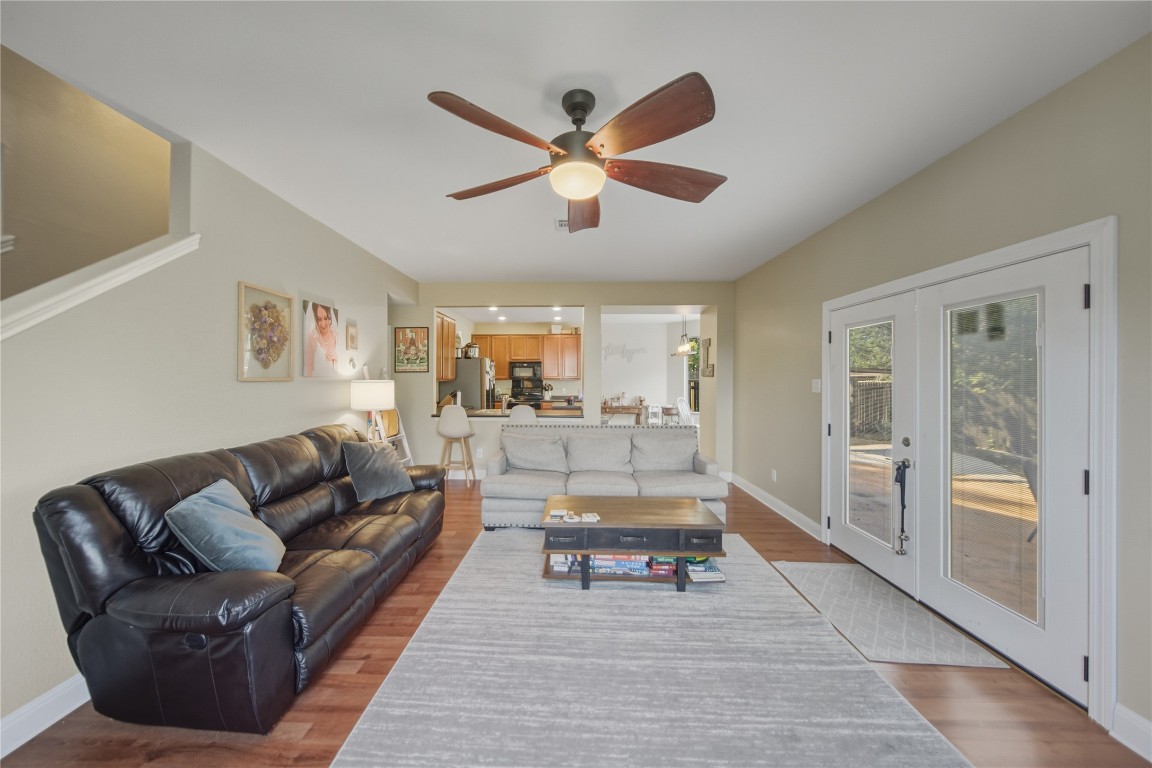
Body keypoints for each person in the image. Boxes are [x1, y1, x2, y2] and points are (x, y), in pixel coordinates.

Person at [303, 302, 338, 376]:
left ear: (329, 317)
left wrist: (336, 356)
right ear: (315, 319)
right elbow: (308, 370)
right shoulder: (312, 337)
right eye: (319, 319)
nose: (323, 324)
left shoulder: (335, 334)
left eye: (325, 318)